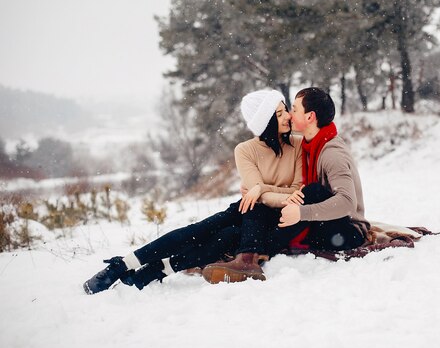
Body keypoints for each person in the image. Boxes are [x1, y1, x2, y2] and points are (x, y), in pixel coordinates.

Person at [82, 89, 303, 294]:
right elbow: (258, 196)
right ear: (265, 121)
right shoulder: (245, 150)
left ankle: (156, 270)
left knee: (226, 237)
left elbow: (290, 190)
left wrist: (262, 188)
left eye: (285, 111)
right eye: (280, 113)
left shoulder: (298, 145)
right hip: (248, 208)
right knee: (198, 230)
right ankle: (122, 266)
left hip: (275, 217)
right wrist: (265, 192)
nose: (288, 117)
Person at [203, 87, 370, 283]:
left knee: (312, 191)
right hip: (322, 222)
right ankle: (244, 256)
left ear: (310, 117)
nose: (290, 115)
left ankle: (252, 255)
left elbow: (347, 202)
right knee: (244, 220)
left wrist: (301, 213)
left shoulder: (331, 152)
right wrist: (260, 188)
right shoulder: (309, 144)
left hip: (347, 230)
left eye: (295, 109)